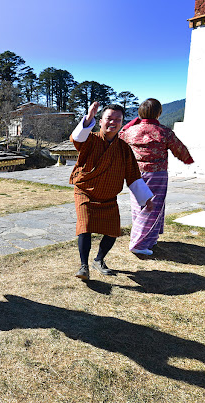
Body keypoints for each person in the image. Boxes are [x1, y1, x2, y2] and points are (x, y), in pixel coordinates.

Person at [69, 101, 154, 281]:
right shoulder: (90, 139)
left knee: (113, 231)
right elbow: (76, 138)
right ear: (100, 121)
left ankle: (98, 260)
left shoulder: (124, 149)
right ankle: (84, 266)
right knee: (85, 226)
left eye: (118, 119)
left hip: (108, 197)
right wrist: (88, 118)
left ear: (122, 123)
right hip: (85, 192)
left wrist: (146, 198)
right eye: (109, 118)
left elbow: (133, 174)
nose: (113, 122)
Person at [120, 98, 194, 256]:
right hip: (157, 174)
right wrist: (188, 159)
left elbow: (119, 137)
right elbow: (179, 149)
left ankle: (147, 239)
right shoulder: (164, 132)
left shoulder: (130, 132)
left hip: (134, 173)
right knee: (153, 207)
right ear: (159, 113)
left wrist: (133, 122)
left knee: (138, 206)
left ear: (140, 113)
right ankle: (139, 243)